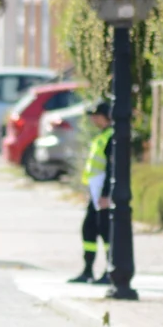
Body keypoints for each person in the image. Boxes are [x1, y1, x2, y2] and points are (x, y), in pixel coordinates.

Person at [69, 103, 113, 284]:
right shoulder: (103, 135)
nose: (93, 119)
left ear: (106, 116)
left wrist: (106, 194)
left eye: (96, 115)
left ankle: (111, 271)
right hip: (96, 192)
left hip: (104, 194)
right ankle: (87, 270)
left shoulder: (113, 137)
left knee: (105, 231)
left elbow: (112, 168)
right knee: (89, 229)